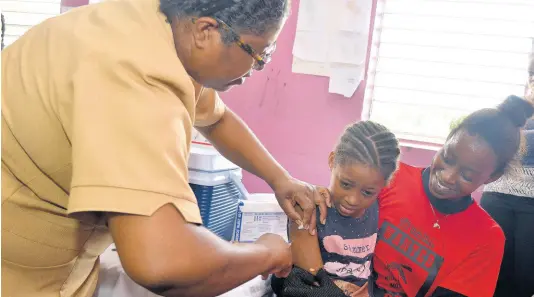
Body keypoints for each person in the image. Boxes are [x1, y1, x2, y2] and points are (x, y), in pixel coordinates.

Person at [1, 0, 328, 296]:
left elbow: (216, 119)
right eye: (259, 54)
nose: (254, 71)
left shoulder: (160, 24)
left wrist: (279, 178)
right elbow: (160, 263)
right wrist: (269, 252)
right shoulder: (134, 80)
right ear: (206, 31)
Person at [364, 95, 534, 297]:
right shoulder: (391, 177)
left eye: (467, 175)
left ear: (492, 177)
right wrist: (315, 196)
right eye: (447, 157)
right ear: (446, 141)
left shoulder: (487, 238)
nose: (447, 176)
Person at [272, 121, 401, 297]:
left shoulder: (381, 210)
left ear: (384, 186)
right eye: (345, 184)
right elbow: (312, 280)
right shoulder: (308, 208)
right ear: (332, 161)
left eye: (368, 192)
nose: (353, 199)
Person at [480, 54, 534, 297]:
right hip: (499, 191)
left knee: (525, 278)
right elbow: (498, 142)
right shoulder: (516, 110)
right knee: (490, 272)